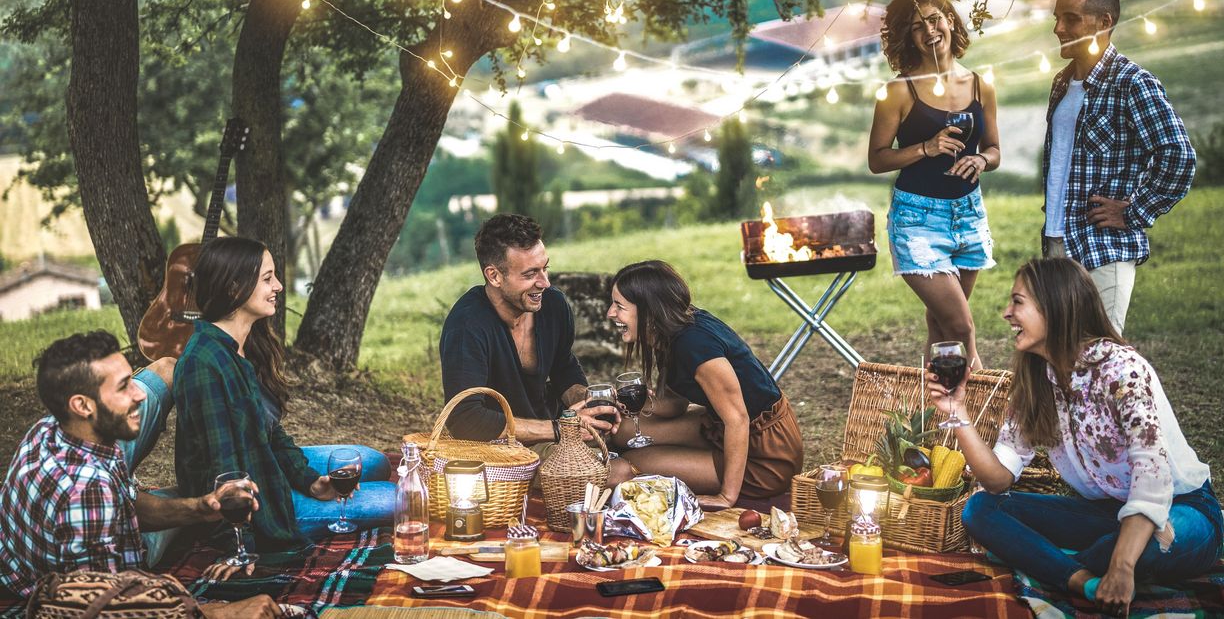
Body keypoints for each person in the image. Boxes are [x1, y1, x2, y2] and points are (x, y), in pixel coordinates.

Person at [929, 258, 1220, 617]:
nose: (1006, 313)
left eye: (1017, 301)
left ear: (1055, 305)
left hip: (1181, 507)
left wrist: (1123, 566)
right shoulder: (1035, 381)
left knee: (1137, 547)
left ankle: (1070, 564)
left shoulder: (1122, 370)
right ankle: (1084, 579)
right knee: (981, 509)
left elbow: (1152, 478)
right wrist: (957, 413)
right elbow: (998, 479)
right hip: (1105, 513)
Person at [0, 331, 280, 617]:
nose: (140, 393)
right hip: (65, 589)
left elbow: (126, 502)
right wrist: (214, 613)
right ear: (82, 405)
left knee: (191, 495)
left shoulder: (56, 429)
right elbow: (102, 607)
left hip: (28, 560)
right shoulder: (87, 492)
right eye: (123, 387)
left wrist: (200, 508)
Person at [174, 236, 394, 545]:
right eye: (267, 279)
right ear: (234, 288)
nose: (278, 286)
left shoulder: (244, 344)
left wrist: (309, 481)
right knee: (394, 499)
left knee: (373, 462)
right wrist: (240, 542)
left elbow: (269, 433)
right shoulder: (204, 364)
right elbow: (221, 467)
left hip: (263, 463)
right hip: (253, 499)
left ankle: (306, 489)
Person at [1041, 0, 1196, 335]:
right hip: (1055, 245)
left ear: (1104, 22)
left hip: (1103, 247)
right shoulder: (1061, 83)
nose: (1058, 28)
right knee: (1058, 363)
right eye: (1057, 19)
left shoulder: (1132, 83)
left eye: (1071, 19)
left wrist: (1135, 211)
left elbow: (1179, 156)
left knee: (1099, 362)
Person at [868, 0, 1002, 370]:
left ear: (949, 19)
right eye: (916, 27)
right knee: (961, 327)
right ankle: (980, 410)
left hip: (969, 214)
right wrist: (925, 148)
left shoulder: (980, 84)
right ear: (907, 38)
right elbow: (877, 160)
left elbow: (994, 150)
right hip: (918, 221)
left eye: (934, 19)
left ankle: (936, 421)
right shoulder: (898, 90)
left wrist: (980, 160)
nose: (929, 31)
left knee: (941, 325)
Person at [605, 260, 804, 509]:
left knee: (629, 463)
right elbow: (675, 405)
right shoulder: (669, 331)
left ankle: (726, 481)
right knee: (623, 431)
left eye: (619, 306)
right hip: (718, 426)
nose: (610, 313)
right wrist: (638, 403)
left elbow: (738, 419)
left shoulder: (694, 344)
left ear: (649, 310)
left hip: (764, 453)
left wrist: (727, 497)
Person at [440, 214, 625, 466]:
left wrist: (590, 404)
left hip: (554, 431)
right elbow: (465, 418)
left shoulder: (553, 304)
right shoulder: (467, 326)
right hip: (500, 451)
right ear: (494, 276)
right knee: (614, 469)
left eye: (545, 268)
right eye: (530, 274)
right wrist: (559, 428)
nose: (545, 283)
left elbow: (564, 367)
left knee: (637, 435)